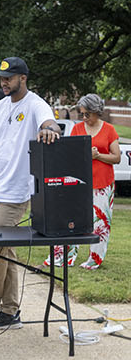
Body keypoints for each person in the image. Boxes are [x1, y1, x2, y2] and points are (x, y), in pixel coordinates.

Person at [0, 56, 59, 330]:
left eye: (8, 78)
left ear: (23, 77)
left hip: (14, 191)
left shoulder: (35, 104)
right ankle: (10, 311)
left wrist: (49, 130)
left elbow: (50, 123)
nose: (4, 82)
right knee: (3, 250)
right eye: (1, 78)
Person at [64, 94, 118, 270]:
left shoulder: (109, 130)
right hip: (80, 181)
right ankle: (68, 256)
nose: (85, 118)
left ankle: (95, 259)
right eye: (82, 114)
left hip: (103, 183)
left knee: (100, 223)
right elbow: (69, 153)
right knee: (74, 219)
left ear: (97, 111)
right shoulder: (78, 128)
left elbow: (116, 157)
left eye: (88, 114)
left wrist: (98, 155)